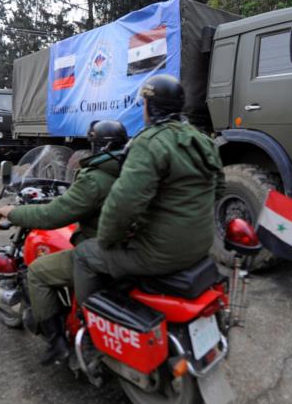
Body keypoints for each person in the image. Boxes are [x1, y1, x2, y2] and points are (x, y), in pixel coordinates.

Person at [73, 74, 224, 305]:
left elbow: (123, 204)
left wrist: (106, 240)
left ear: (150, 107)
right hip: (201, 246)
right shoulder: (203, 140)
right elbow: (219, 188)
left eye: (144, 105)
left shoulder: (149, 142)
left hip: (160, 254)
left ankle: (89, 324)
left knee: (84, 254)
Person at [0, 120, 127, 364]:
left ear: (97, 145)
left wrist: (13, 212)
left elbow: (53, 215)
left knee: (37, 273)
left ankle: (56, 343)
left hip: (99, 250)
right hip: (127, 246)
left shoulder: (96, 177)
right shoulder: (132, 170)